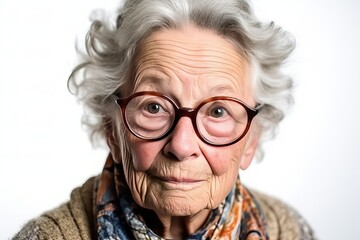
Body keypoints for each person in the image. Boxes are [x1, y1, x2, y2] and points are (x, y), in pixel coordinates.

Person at [13, 0, 315, 239]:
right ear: (113, 129)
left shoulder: (288, 231)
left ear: (251, 139)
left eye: (218, 111)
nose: (182, 146)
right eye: (154, 108)